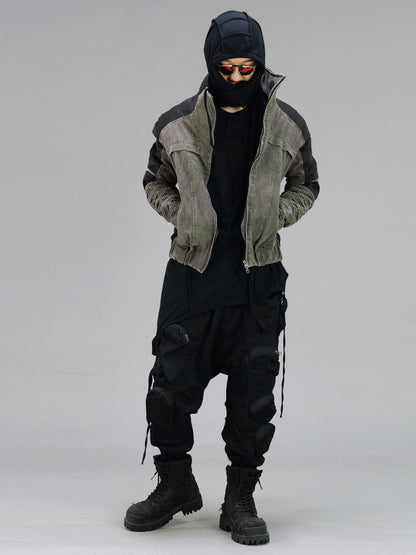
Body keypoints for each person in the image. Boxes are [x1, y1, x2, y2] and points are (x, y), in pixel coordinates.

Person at [124, 10, 319, 546]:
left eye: (246, 67)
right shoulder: (176, 124)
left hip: (258, 279)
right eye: (226, 67)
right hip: (192, 274)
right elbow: (154, 180)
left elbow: (307, 185)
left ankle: (240, 498)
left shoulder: (288, 125)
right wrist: (183, 215)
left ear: (260, 63)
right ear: (211, 64)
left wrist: (275, 217)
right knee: (170, 387)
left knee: (253, 395)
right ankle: (175, 484)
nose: (236, 76)